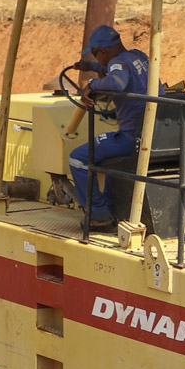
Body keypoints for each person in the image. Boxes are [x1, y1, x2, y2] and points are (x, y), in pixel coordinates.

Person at [68, 23, 149, 230]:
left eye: (95, 55)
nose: (96, 59)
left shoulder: (118, 64)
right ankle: (112, 209)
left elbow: (116, 82)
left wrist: (92, 85)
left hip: (133, 138)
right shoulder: (138, 56)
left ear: (103, 51)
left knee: (78, 158)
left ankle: (98, 216)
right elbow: (119, 69)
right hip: (155, 135)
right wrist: (93, 68)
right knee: (109, 158)